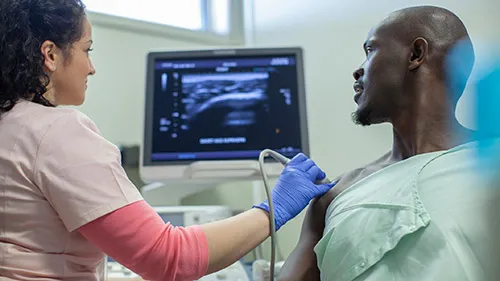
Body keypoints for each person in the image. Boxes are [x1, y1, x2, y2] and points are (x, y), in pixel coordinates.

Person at [0, 1, 334, 281]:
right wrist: (273, 209)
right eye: (86, 50)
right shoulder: (56, 131)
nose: (91, 67)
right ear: (50, 55)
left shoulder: (10, 122)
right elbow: (168, 258)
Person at [278, 5, 500, 281]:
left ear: (416, 54)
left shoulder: (492, 164)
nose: (358, 71)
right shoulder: (336, 195)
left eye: (370, 51)